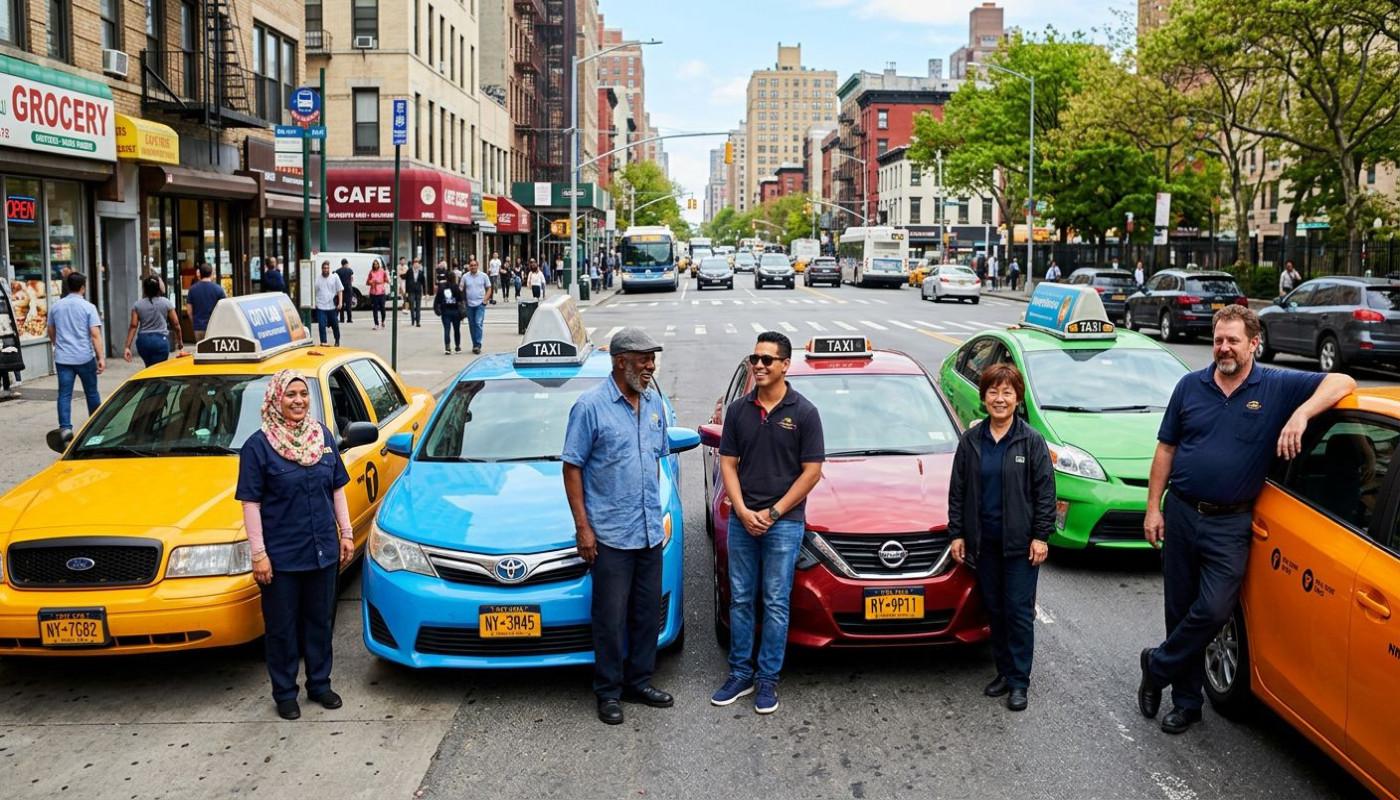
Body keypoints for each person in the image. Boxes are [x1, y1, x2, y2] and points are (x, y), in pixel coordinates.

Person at [1138, 305, 1354, 735]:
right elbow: (1166, 448)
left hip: (1229, 523)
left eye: (1233, 340)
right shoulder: (1190, 386)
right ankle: (1186, 703)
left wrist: (1302, 413)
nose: (1224, 348)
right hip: (1181, 511)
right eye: (1219, 339)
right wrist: (1153, 507)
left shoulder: (1274, 385)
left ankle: (1157, 664)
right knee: (1179, 609)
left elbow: (1343, 381)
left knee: (1215, 608)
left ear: (1254, 343)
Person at [561, 327, 674, 726]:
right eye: (643, 359)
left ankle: (639, 682)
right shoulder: (590, 407)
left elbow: (657, 459)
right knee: (609, 619)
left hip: (647, 532)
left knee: (645, 614)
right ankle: (608, 691)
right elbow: (572, 468)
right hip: (609, 536)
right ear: (619, 361)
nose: (650, 366)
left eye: (652, 359)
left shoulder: (654, 402)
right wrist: (583, 529)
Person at [711, 331, 824, 715]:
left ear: (785, 366)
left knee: (775, 601)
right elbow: (727, 462)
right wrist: (742, 511)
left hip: (785, 523)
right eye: (754, 359)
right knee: (741, 598)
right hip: (744, 520)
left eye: (767, 360)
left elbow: (811, 472)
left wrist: (774, 513)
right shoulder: (740, 410)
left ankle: (767, 680)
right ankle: (740, 673)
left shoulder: (804, 412)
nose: (758, 365)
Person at [236, 369, 355, 721]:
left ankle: (319, 684)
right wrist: (259, 555)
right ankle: (285, 692)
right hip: (282, 557)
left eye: (303, 393)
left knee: (320, 623)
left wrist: (346, 533)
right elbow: (251, 504)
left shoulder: (322, 438)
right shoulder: (258, 446)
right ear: (276, 399)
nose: (299, 400)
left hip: (323, 552)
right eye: (290, 394)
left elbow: (337, 489)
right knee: (282, 628)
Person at [948, 363, 1055, 712]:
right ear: (984, 397)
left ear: (1017, 398)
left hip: (1021, 546)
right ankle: (1004, 672)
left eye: (1007, 392)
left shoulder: (1031, 441)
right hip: (984, 543)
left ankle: (1020, 681)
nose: (999, 399)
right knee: (994, 610)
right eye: (993, 392)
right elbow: (958, 490)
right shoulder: (971, 441)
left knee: (1018, 613)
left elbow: (1045, 493)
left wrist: (1041, 536)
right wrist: (957, 534)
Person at [47, 272, 104, 435]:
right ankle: (96, 427)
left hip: (63, 358)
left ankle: (65, 428)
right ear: (82, 288)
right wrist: (100, 357)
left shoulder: (56, 306)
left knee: (64, 394)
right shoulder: (88, 307)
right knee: (91, 392)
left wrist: (55, 343)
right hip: (85, 357)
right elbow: (95, 333)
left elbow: (50, 328)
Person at [122, 275, 182, 367]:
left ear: (145, 289)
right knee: (159, 368)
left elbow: (133, 326)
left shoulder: (138, 305)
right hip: (161, 340)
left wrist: (127, 347)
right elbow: (176, 324)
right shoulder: (166, 303)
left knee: (149, 367)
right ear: (158, 288)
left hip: (143, 341)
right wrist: (179, 341)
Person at [459, 258, 492, 355]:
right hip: (469, 304)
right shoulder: (465, 277)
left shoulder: (483, 276)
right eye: (471, 265)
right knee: (472, 325)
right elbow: (461, 289)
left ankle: (478, 344)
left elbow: (489, 288)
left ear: (477, 266)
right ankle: (474, 344)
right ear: (469, 267)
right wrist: (461, 299)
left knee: (478, 323)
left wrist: (485, 299)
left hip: (480, 304)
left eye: (475, 265)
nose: (473, 267)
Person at [187, 264, 225, 341]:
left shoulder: (192, 290)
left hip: (198, 327)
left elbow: (189, 311)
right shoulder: (218, 289)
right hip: (214, 327)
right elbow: (224, 309)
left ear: (200, 274)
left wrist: (194, 322)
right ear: (211, 273)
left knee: (201, 350)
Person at [434, 266, 464, 354]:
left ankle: (447, 346)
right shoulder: (456, 287)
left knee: (447, 329)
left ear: (446, 278)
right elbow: (460, 299)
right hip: (455, 310)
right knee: (456, 329)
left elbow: (438, 299)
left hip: (445, 310)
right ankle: (457, 346)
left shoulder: (442, 287)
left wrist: (437, 309)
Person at [313, 261, 342, 346]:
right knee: (321, 325)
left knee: (335, 325)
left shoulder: (335, 277)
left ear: (329, 269)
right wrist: (314, 303)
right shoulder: (318, 279)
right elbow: (315, 291)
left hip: (332, 306)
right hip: (321, 306)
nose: (326, 270)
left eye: (327, 268)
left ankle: (337, 339)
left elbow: (340, 290)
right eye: (324, 268)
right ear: (322, 269)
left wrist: (340, 302)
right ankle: (323, 342)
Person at [367, 260, 390, 330]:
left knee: (382, 309)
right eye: (374, 264)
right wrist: (372, 281)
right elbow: (367, 282)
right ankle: (376, 324)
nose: (375, 265)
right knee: (375, 309)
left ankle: (383, 321)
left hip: (381, 292)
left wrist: (383, 281)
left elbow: (387, 280)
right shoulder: (371, 272)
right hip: (373, 292)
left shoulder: (382, 271)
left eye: (376, 264)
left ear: (378, 265)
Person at [404, 258, 426, 327]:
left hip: (418, 291)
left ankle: (418, 321)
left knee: (418, 307)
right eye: (415, 264)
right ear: (413, 265)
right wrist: (406, 291)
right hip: (411, 291)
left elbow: (423, 283)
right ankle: (413, 320)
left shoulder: (421, 272)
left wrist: (425, 293)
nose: (416, 265)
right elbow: (406, 282)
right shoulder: (409, 271)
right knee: (412, 306)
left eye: (418, 264)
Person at [335, 259, 355, 324]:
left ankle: (342, 319)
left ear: (341, 264)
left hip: (341, 289)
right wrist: (350, 284)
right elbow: (352, 278)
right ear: (346, 263)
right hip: (348, 288)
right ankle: (349, 319)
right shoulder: (350, 270)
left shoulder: (338, 271)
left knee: (341, 304)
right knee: (348, 304)